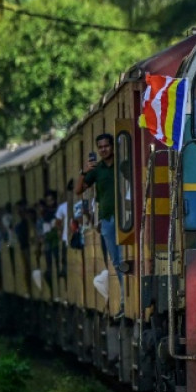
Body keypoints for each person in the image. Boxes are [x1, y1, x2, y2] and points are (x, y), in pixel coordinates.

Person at [75, 133, 125, 319]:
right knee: (117, 262)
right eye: (100, 147)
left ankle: (127, 300)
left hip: (124, 218)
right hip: (107, 219)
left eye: (106, 146)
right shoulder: (97, 170)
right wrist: (83, 171)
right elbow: (79, 190)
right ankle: (123, 302)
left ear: (113, 146)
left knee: (124, 259)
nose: (104, 150)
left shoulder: (122, 164)